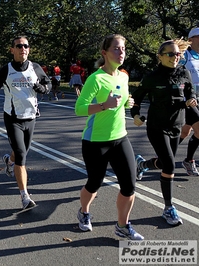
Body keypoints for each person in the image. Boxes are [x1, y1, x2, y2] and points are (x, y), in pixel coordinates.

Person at [75, 34, 143, 240]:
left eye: (123, 48)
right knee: (94, 183)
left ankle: (122, 225)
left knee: (130, 186)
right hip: (95, 141)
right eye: (116, 48)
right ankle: (84, 211)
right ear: (104, 53)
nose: (121, 52)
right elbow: (79, 108)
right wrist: (105, 105)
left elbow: (120, 101)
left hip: (120, 138)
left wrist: (127, 102)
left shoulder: (123, 76)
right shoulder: (96, 79)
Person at [131, 38, 196, 226]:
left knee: (165, 162)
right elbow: (136, 98)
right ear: (160, 56)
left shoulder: (183, 72)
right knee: (169, 165)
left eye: (177, 54)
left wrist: (191, 99)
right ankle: (168, 208)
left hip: (177, 125)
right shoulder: (152, 77)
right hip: (157, 126)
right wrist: (136, 115)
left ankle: (143, 165)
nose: (175, 57)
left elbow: (190, 91)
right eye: (170, 54)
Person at [0, 36, 51, 211]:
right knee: (22, 155)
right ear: (12, 49)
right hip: (12, 118)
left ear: (29, 49)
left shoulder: (35, 68)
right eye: (19, 46)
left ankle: (9, 161)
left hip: (31, 117)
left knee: (20, 151)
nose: (23, 48)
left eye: (26, 46)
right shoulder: (6, 69)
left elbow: (48, 83)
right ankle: (25, 196)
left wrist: (44, 89)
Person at [177, 27, 199, 176]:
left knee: (185, 131)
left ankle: (161, 157)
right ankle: (189, 160)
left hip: (198, 99)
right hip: (187, 100)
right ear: (191, 39)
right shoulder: (184, 56)